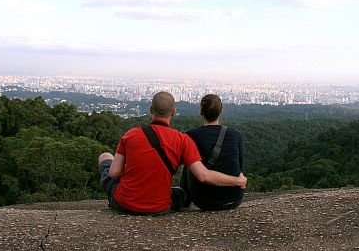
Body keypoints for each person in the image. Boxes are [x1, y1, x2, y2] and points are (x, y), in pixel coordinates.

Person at [98, 91, 247, 216]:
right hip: (161, 207)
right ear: (173, 112)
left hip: (124, 203)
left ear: (151, 110)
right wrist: (238, 181)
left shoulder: (131, 134)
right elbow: (203, 175)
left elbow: (114, 173)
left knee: (105, 156)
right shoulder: (183, 140)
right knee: (179, 193)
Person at [182, 94, 244, 211]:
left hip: (204, 201)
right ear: (221, 110)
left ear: (201, 111)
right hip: (234, 199)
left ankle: (185, 201)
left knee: (189, 164)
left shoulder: (191, 135)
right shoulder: (236, 134)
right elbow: (239, 166)